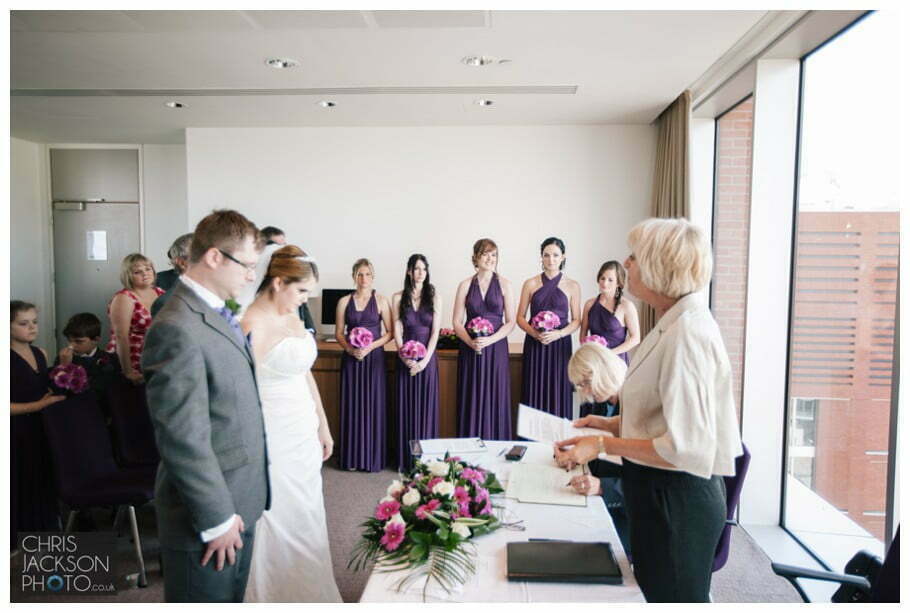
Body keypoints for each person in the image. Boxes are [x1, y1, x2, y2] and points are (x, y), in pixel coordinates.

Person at [554, 218, 743, 603]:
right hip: (657, 495)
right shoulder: (673, 324)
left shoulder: (688, 333)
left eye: (635, 257)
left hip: (678, 504)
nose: (627, 262)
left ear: (660, 266)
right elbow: (663, 416)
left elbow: (685, 447)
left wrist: (603, 445)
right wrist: (606, 424)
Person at [142, 210, 270, 602]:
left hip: (239, 497)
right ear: (214, 257)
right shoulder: (176, 326)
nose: (252, 276)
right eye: (247, 265)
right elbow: (183, 437)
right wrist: (216, 519)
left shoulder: (215, 311)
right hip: (208, 516)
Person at [241, 246, 342, 602]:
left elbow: (304, 375)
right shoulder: (251, 324)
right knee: (278, 515)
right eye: (301, 292)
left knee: (307, 511)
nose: (304, 301)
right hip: (272, 431)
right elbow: (239, 395)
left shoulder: (295, 317)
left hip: (302, 426)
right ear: (278, 281)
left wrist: (323, 425)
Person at [563, 343, 631, 557]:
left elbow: (647, 474)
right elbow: (603, 459)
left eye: (585, 383)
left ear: (602, 372)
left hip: (631, 515)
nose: (585, 392)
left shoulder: (634, 403)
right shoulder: (604, 404)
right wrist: (576, 455)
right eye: (580, 385)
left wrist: (603, 487)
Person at [11, 300, 64, 548]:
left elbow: (44, 390)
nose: (32, 328)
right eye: (23, 323)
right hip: (15, 432)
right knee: (18, 484)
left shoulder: (40, 353)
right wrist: (40, 405)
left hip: (42, 429)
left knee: (42, 482)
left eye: (34, 322)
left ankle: (42, 539)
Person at [452, 238, 516, 439]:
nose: (490, 258)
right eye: (486, 254)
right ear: (475, 258)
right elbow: (456, 321)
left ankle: (495, 442)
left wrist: (490, 340)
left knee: (495, 394)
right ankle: (470, 441)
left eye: (494, 254)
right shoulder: (464, 285)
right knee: (471, 395)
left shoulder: (505, 284)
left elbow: (511, 321)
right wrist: (470, 342)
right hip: (471, 348)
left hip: (496, 349)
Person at [336, 259, 393, 471]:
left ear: (373, 276)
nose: (364, 279)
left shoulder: (381, 300)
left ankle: (371, 459)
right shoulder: (343, 302)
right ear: (354, 277)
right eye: (360, 274)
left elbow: (390, 333)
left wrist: (370, 347)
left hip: (374, 360)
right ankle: (352, 458)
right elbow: (339, 332)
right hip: (351, 359)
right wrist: (350, 349)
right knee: (353, 406)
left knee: (372, 406)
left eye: (367, 274)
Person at [516, 237, 581, 419]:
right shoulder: (530, 283)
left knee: (558, 388)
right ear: (541, 257)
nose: (550, 259)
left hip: (560, 347)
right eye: (546, 255)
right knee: (534, 387)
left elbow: (577, 320)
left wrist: (559, 334)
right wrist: (535, 334)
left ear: (563, 257)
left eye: (555, 255)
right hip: (535, 344)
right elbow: (520, 317)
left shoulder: (572, 286)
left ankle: (559, 440)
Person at [391, 254, 442, 470]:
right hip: (405, 361)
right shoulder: (397, 297)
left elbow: (435, 332)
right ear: (409, 272)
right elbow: (398, 330)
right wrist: (406, 357)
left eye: (424, 269)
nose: (420, 273)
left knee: (425, 409)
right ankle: (406, 460)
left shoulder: (435, 296)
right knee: (406, 408)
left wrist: (424, 361)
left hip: (427, 361)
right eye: (416, 269)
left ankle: (426, 460)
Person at [578, 260, 640, 417]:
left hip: (615, 365)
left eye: (610, 279)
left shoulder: (626, 306)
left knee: (611, 413)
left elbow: (636, 338)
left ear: (619, 283)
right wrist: (589, 353)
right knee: (591, 412)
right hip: (594, 364)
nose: (605, 283)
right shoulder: (590, 304)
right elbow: (583, 334)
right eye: (602, 278)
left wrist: (610, 353)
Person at [106, 253, 165, 384]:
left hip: (156, 356)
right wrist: (128, 371)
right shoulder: (124, 298)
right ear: (128, 276)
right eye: (137, 272)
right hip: (132, 358)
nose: (145, 274)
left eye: (148, 269)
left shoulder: (160, 293)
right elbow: (121, 336)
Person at [56, 312, 121, 418]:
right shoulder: (64, 359)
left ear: (96, 340)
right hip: (74, 413)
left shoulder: (111, 359)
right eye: (69, 341)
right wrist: (65, 366)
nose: (71, 346)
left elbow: (103, 391)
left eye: (78, 341)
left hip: (104, 414)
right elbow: (59, 392)